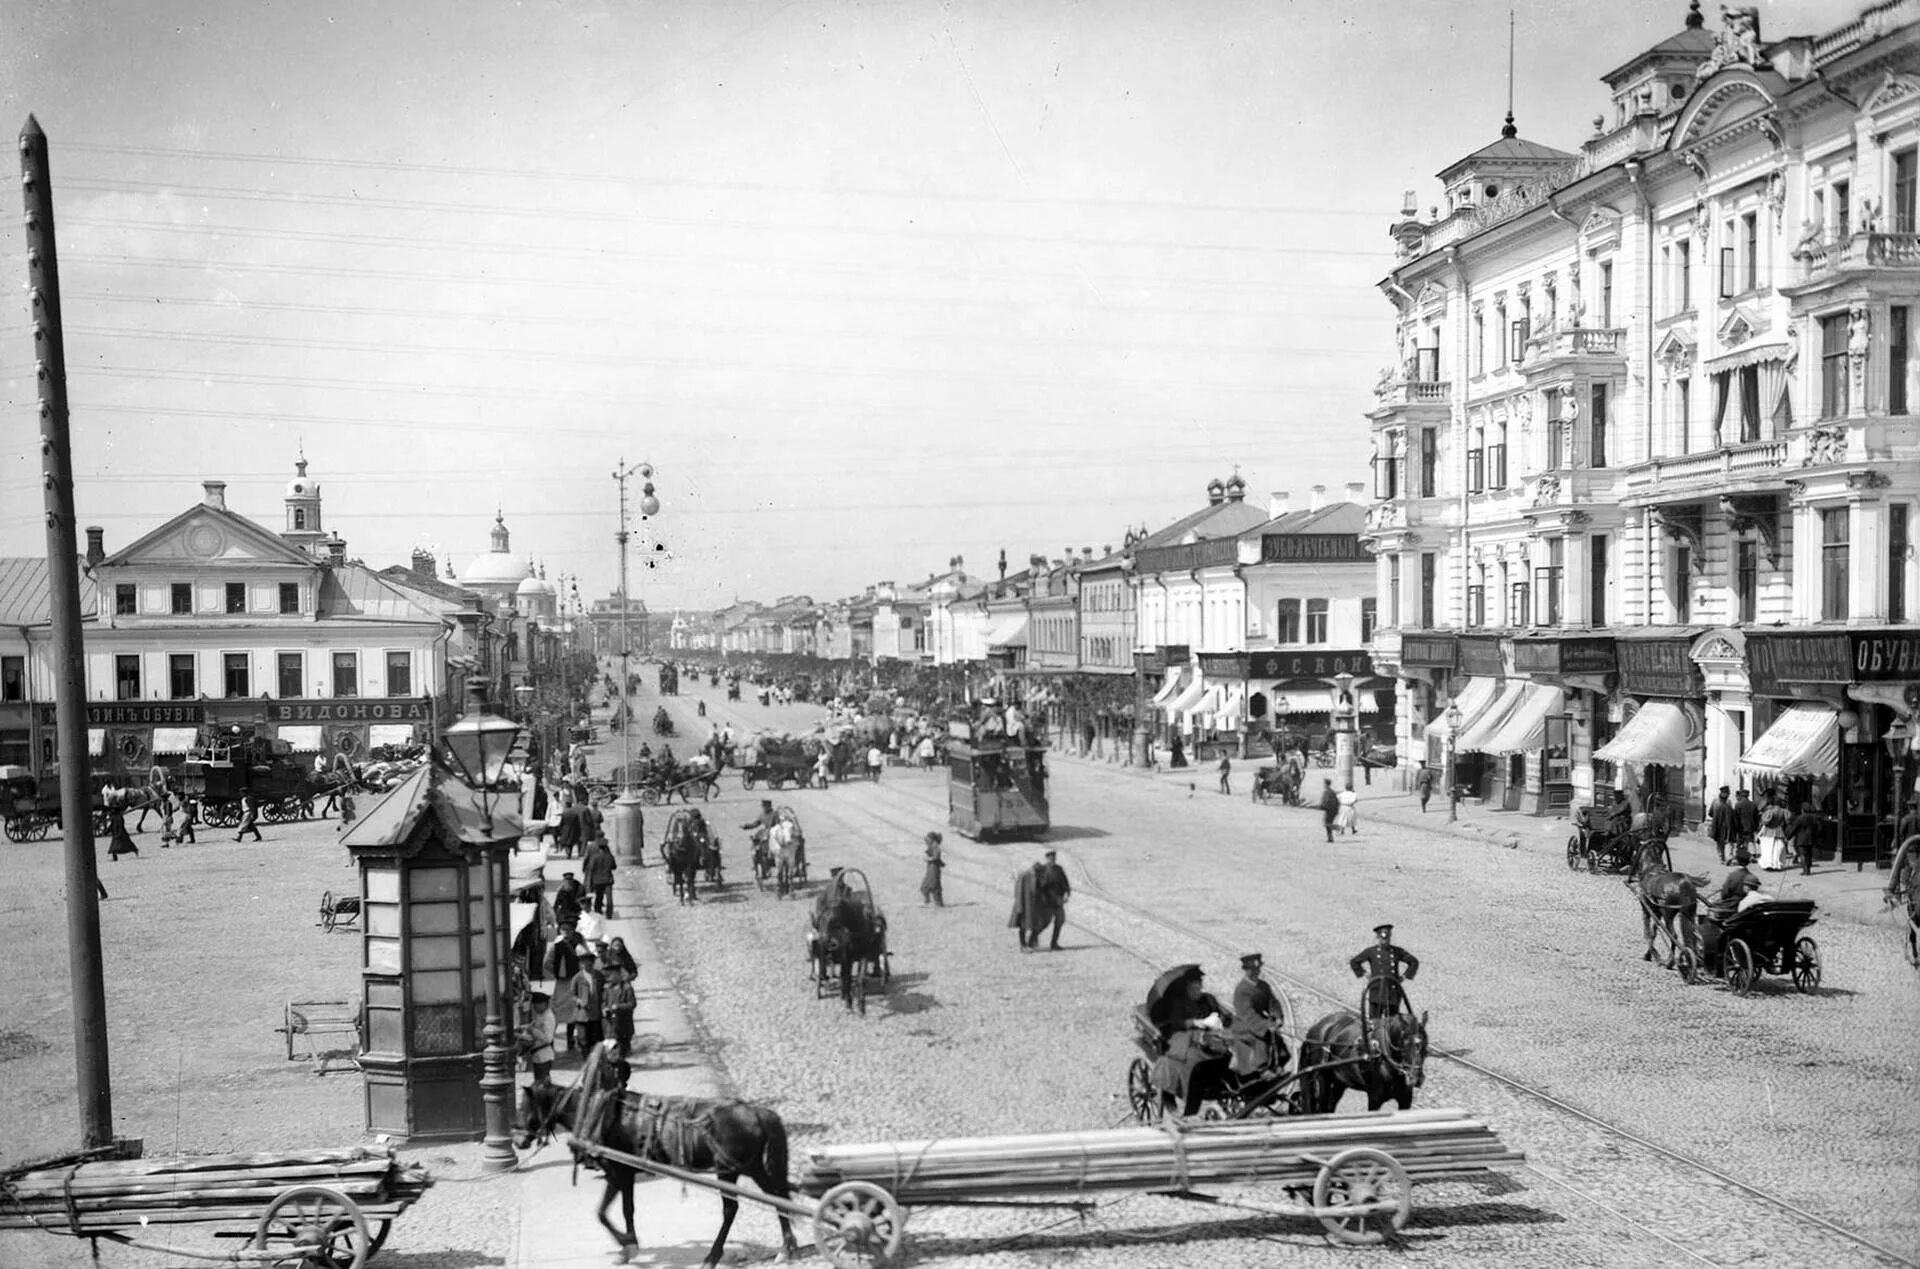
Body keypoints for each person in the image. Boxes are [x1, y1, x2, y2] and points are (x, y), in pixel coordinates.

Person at [1156, 967, 1233, 1117]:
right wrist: (1197, 1023)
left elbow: (1226, 1015)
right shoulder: (1175, 1004)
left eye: (1199, 987)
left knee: (1229, 1056)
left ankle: (1224, 1086)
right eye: (1193, 988)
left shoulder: (1208, 999)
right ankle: (1190, 1102)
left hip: (1213, 1041)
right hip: (1185, 1042)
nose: (1197, 991)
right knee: (1195, 1062)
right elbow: (1173, 1025)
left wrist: (1221, 1020)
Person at [1349, 924, 1418, 1051]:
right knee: (1374, 1023)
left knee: (1392, 1023)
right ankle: (1371, 1045)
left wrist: (1403, 977)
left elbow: (1414, 961)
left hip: (1392, 994)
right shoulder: (1371, 952)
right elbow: (1354, 962)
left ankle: (1391, 1046)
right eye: (1382, 939)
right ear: (1378, 938)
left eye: (1387, 939)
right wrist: (1365, 974)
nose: (1385, 941)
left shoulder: (1396, 952)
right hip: (1376, 992)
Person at [1228, 952, 1288, 1075]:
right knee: (1260, 1044)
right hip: (1245, 1026)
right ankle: (1261, 1070)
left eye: (1257, 969)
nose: (1256, 972)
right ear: (1245, 970)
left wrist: (1277, 1017)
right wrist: (1266, 1026)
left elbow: (1273, 1003)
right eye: (1252, 970)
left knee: (1280, 1046)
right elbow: (1247, 1014)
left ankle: (1277, 1066)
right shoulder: (1241, 990)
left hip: (1262, 1022)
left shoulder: (1263, 985)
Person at [519, 988, 557, 1085]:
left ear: (543, 1004)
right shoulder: (540, 1015)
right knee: (540, 1081)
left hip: (544, 1055)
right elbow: (532, 1025)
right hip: (537, 1055)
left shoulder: (548, 1017)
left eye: (536, 1005)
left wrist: (533, 1031)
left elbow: (548, 1038)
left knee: (543, 1083)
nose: (535, 1008)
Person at [1037, 850, 1071, 950]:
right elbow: (1039, 887)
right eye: (1050, 858)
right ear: (1046, 859)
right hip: (1047, 901)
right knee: (1044, 923)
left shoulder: (1059, 869)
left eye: (1054, 858)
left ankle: (1054, 943)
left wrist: (1067, 892)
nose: (1053, 860)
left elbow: (1065, 882)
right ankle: (1031, 939)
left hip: (1058, 900)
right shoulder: (1043, 870)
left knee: (1060, 920)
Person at [573, 946, 604, 1054]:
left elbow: (603, 992)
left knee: (596, 1040)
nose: (587, 964)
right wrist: (578, 1001)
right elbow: (572, 994)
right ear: (581, 964)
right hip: (583, 1014)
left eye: (590, 962)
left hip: (596, 1013)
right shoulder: (577, 978)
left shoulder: (599, 976)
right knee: (583, 1040)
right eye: (584, 962)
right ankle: (586, 1060)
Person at [602, 963, 637, 1059]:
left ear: (618, 974)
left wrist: (618, 1007)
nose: (609, 977)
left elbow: (632, 1004)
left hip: (624, 1027)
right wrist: (604, 1009)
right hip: (611, 1028)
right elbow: (603, 1002)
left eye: (611, 974)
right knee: (611, 1053)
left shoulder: (627, 988)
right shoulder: (608, 989)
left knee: (622, 1053)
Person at [582, 834, 617, 917]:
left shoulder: (595, 857)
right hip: (608, 879)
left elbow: (591, 868)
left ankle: (598, 910)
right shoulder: (610, 857)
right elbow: (614, 867)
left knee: (599, 895)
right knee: (609, 897)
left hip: (597, 880)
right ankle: (609, 913)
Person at [1786, 802, 1823, 875]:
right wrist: (1816, 835)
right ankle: (1808, 869)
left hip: (1801, 839)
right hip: (1811, 838)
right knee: (1809, 854)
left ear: (1802, 810)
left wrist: (1788, 837)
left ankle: (1805, 870)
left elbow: (1794, 828)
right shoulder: (1814, 818)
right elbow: (1819, 828)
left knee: (1803, 854)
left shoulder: (1799, 818)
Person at [1757, 791, 1791, 871]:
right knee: (1778, 849)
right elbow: (1788, 821)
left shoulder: (1769, 811)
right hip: (1779, 831)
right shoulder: (1784, 811)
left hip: (1768, 832)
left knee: (1767, 849)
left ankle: (1768, 864)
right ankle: (1777, 864)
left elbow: (1765, 822)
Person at [1707, 786, 1734, 865]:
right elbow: (1731, 814)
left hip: (1717, 825)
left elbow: (1710, 813)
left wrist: (1716, 817)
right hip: (1727, 825)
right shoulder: (1729, 802)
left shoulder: (1715, 801)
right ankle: (1728, 857)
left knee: (1719, 842)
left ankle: (1721, 858)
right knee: (1728, 841)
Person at [919, 831, 945, 907]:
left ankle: (938, 903)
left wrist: (929, 859)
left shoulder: (935, 846)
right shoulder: (932, 844)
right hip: (931, 868)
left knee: (934, 885)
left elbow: (937, 856)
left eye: (929, 839)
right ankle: (927, 901)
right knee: (926, 885)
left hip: (934, 869)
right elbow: (926, 842)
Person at [1732, 787, 1760, 857]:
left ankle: (1738, 855)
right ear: (1748, 795)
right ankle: (1753, 855)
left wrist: (1736, 827)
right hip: (1751, 827)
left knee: (1739, 842)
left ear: (1741, 795)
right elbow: (1756, 817)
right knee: (1750, 841)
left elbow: (1736, 818)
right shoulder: (1753, 805)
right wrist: (1756, 827)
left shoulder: (1738, 805)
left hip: (1741, 828)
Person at [1319, 779, 1339, 843]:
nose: (1323, 785)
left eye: (1324, 784)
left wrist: (1322, 806)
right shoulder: (1331, 791)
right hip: (1332, 810)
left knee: (1327, 824)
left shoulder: (1328, 792)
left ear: (1326, 784)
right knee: (1327, 823)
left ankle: (1337, 828)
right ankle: (1330, 838)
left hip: (1330, 810)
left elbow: (1326, 801)